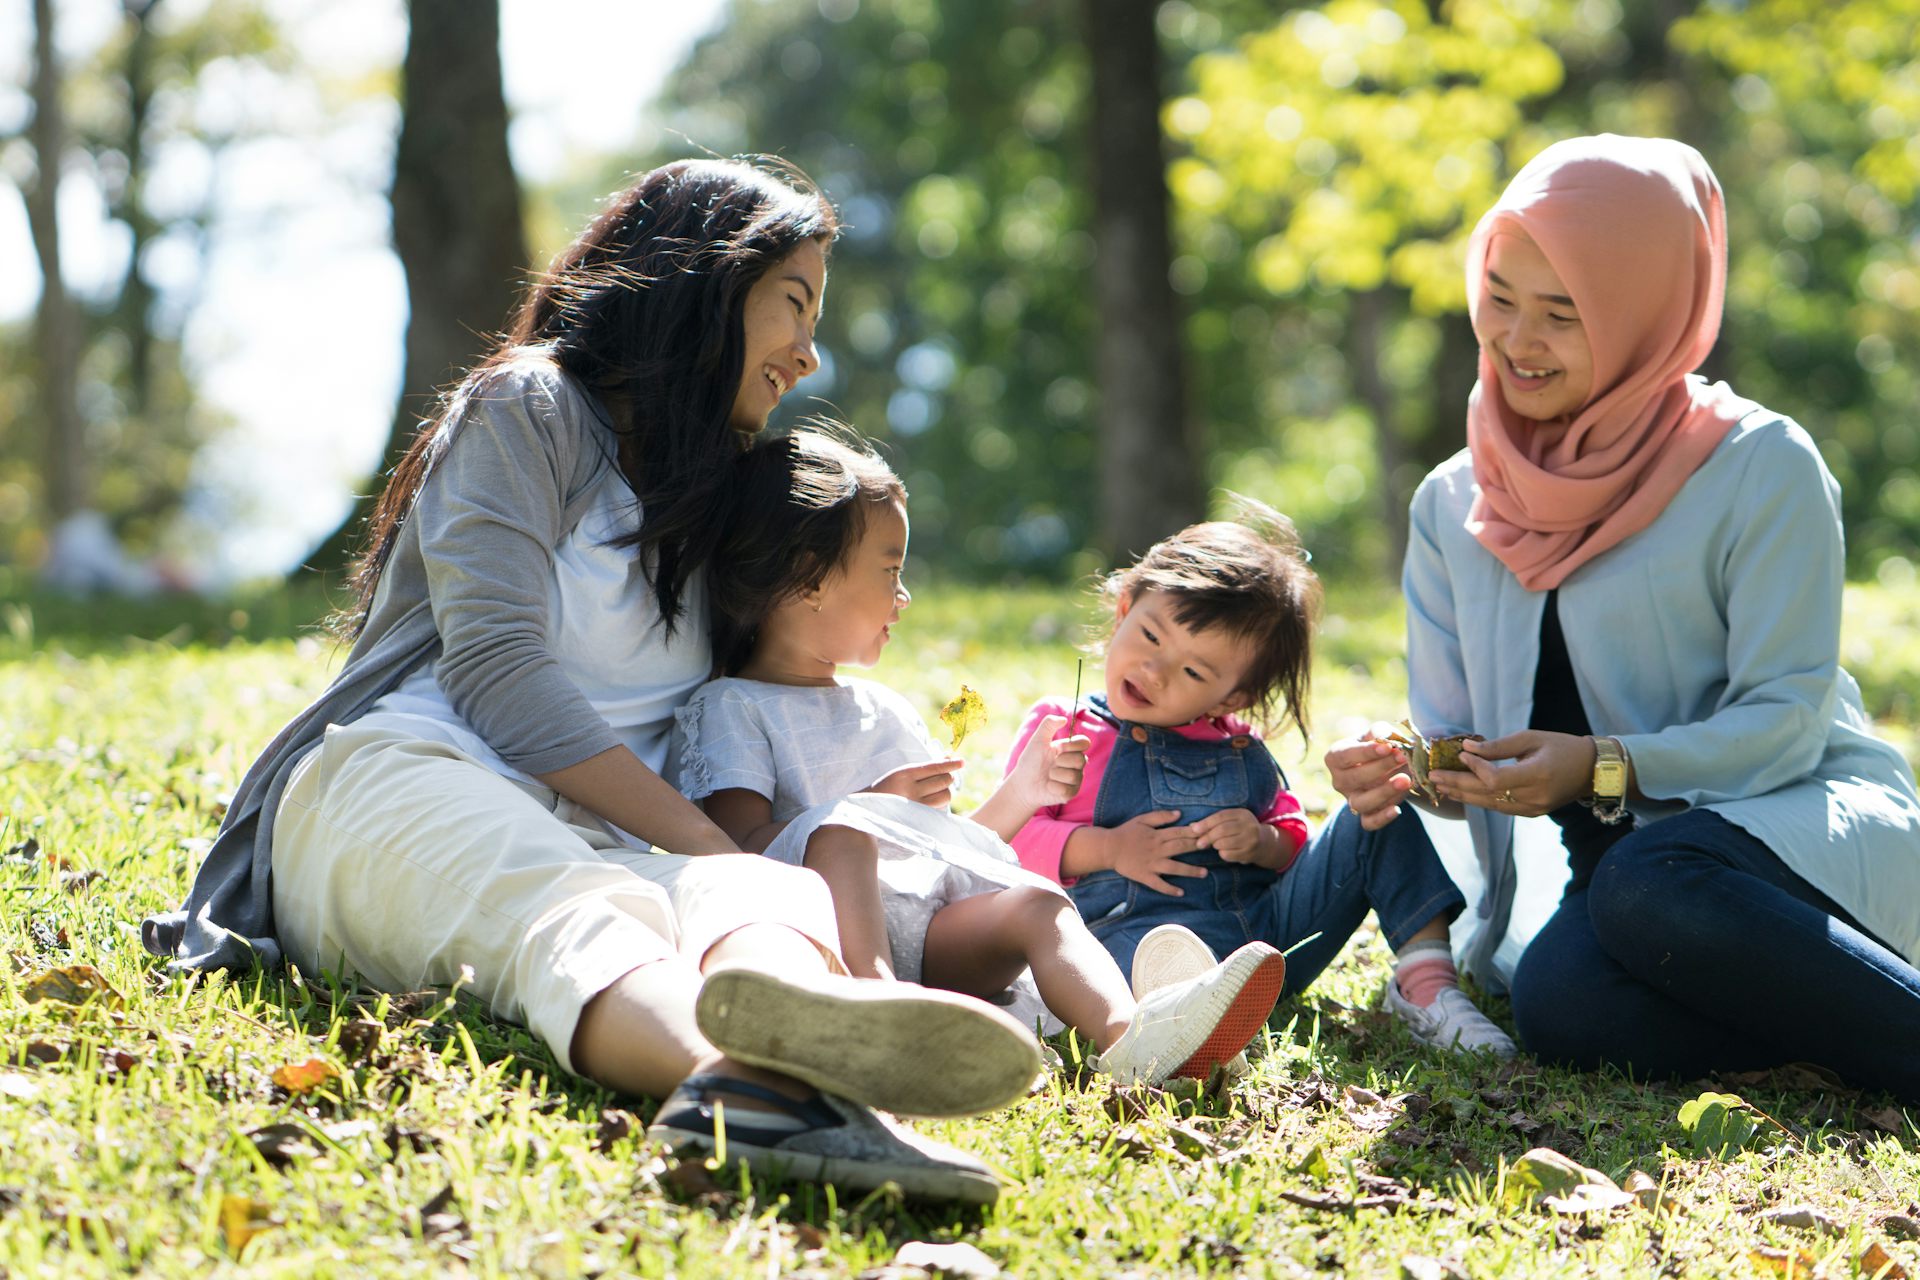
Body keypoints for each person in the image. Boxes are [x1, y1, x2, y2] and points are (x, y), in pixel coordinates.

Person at [140, 158, 1047, 1203]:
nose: (807, 354)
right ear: (705, 280)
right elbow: (497, 667)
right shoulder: (529, 407)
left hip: (612, 840)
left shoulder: (709, 501)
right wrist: (698, 839)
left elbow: (780, 677)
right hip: (400, 786)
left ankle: (826, 1069)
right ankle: (741, 1084)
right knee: (578, 906)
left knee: (759, 888)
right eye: (793, 304)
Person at [1332, 134, 1920, 1101]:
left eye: (1564, 314)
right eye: (1501, 299)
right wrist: (1410, 767)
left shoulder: (1762, 466)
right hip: (1616, 883)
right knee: (1567, 1007)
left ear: (1648, 308)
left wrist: (1607, 764)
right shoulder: (1452, 503)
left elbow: (1787, 721)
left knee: (1653, 877)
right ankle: (1833, 1029)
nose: (1518, 342)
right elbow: (1451, 744)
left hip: (1789, 827)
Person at [670, 431, 1287, 1086]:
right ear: (810, 577)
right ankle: (878, 1013)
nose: (902, 596)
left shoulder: (885, 709)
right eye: (888, 572)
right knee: (845, 833)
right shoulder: (732, 707)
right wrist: (869, 809)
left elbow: (959, 857)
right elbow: (733, 849)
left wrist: (1023, 792)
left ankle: (1136, 1039)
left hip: (932, 933)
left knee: (1038, 902)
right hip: (819, 939)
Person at [1004, 506, 1516, 1057]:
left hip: (1268, 947)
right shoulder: (1068, 729)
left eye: (1195, 672)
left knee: (1377, 816)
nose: (1155, 670)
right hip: (1129, 940)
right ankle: (1170, 1022)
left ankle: (1427, 984)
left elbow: (1292, 838)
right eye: (1150, 636)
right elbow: (1008, 847)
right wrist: (1106, 848)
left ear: (1232, 697)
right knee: (1127, 970)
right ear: (1125, 607)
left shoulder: (1239, 745)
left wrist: (1262, 841)